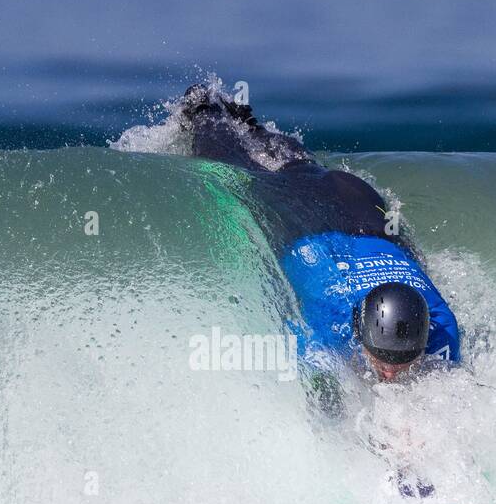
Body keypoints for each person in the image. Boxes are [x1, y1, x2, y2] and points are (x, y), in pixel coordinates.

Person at [181, 85, 462, 416]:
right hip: (309, 222)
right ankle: (204, 111)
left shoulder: (442, 332)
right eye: (384, 360)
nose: (391, 373)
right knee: (238, 169)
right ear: (359, 331)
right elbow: (316, 393)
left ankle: (250, 123)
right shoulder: (326, 326)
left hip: (358, 203)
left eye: (406, 360)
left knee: (304, 166)